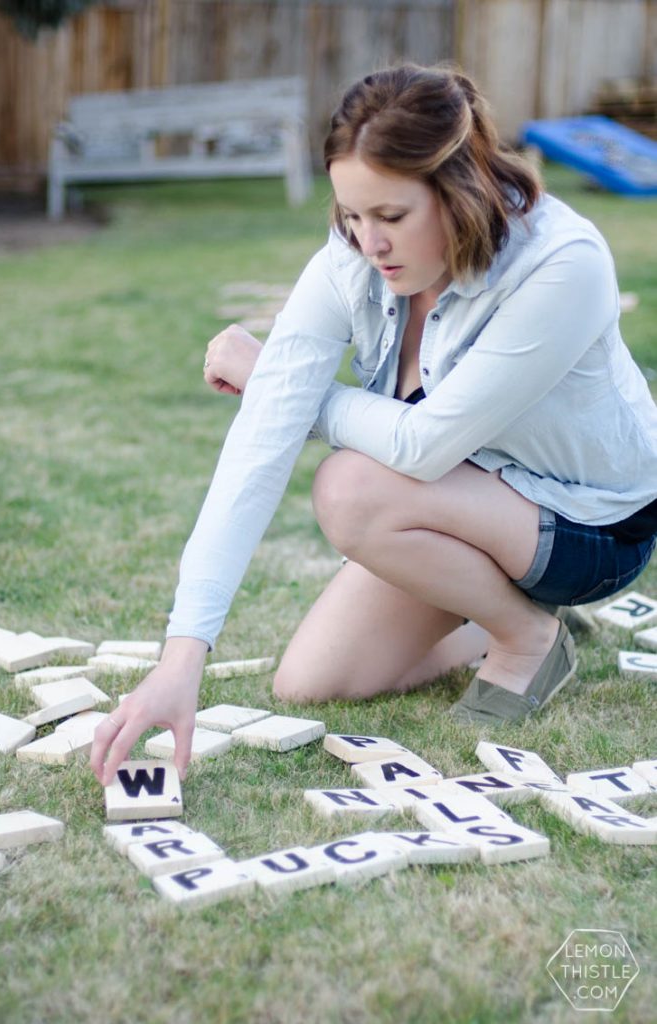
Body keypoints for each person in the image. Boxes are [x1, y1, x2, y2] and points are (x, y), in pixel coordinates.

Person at [90, 63, 657, 786]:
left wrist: (283, 385)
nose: (368, 243)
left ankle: (528, 635)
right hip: (471, 499)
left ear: (461, 188)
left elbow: (423, 447)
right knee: (311, 682)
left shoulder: (561, 262)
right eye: (351, 216)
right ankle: (499, 610)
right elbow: (257, 449)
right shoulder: (355, 257)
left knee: (350, 488)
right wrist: (182, 658)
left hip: (593, 522)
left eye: (391, 217)